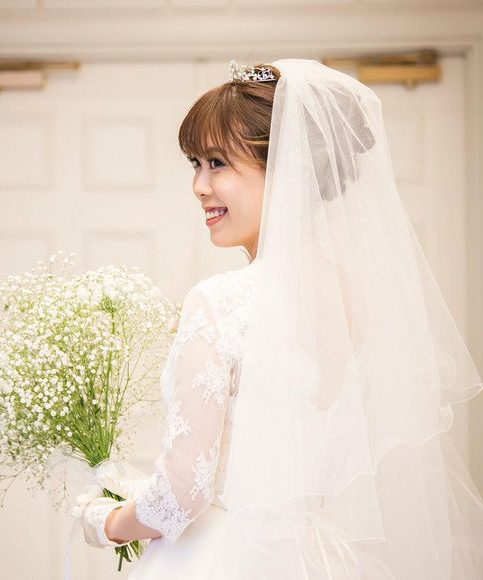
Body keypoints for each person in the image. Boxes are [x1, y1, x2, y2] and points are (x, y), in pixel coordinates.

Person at [73, 59, 483, 579]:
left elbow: (181, 497)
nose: (199, 185)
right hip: (321, 556)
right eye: (195, 164)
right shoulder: (352, 299)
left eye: (217, 163)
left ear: (286, 171)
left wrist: (105, 520)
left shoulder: (219, 302)